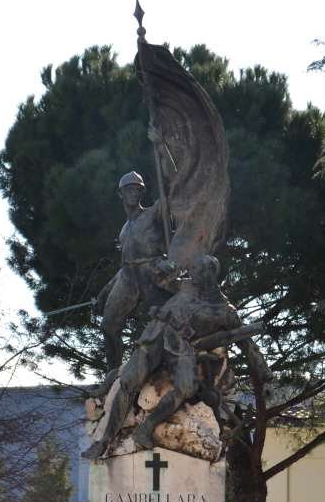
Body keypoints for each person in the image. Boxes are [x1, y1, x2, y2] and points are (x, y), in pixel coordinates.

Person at [83, 255, 274, 458]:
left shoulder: (225, 311)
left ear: (207, 273)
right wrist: (163, 266)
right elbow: (162, 281)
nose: (190, 272)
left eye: (196, 269)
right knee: (128, 382)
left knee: (187, 388)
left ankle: (145, 428)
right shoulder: (186, 286)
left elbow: (248, 345)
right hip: (155, 336)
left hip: (180, 347)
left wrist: (267, 378)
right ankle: (104, 442)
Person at [95, 170, 178, 379]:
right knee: (108, 325)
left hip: (152, 271)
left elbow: (171, 188)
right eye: (129, 190)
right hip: (129, 276)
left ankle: (177, 368)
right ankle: (113, 376)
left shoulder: (153, 212)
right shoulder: (124, 229)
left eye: (137, 189)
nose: (134, 193)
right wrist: (106, 289)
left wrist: (161, 147)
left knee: (169, 323)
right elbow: (126, 265)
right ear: (120, 194)